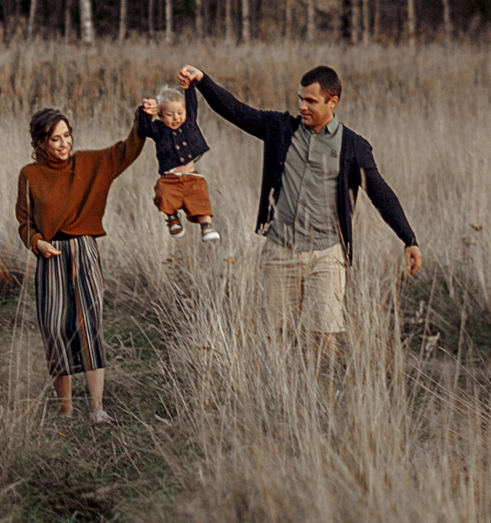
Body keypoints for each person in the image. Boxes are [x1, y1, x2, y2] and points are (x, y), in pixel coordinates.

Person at [176, 63, 422, 352]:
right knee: (276, 340)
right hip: (281, 251)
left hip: (327, 255)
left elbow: (379, 192)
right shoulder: (280, 129)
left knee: (324, 343)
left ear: (333, 102)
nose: (302, 106)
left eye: (311, 101)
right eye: (300, 99)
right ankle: (280, 395)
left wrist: (409, 239)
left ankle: (322, 393)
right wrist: (202, 81)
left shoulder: (352, 146)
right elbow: (236, 111)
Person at [14, 101, 152, 423]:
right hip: (50, 257)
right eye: (56, 139)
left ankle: (97, 409)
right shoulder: (29, 175)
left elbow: (127, 150)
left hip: (85, 253)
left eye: (67, 136)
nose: (64, 144)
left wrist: (141, 118)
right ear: (40, 143)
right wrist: (36, 243)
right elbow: (24, 222)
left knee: (89, 327)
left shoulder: (91, 164)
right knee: (55, 330)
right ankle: (66, 409)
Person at [138, 86, 220, 240]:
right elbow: (143, 128)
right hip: (170, 179)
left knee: (201, 196)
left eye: (179, 113)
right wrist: (145, 111)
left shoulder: (189, 123)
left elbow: (191, 103)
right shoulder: (159, 130)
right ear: (161, 116)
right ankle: (172, 218)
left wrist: (189, 85)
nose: (176, 118)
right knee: (163, 194)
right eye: (170, 114)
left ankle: (206, 226)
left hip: (191, 176)